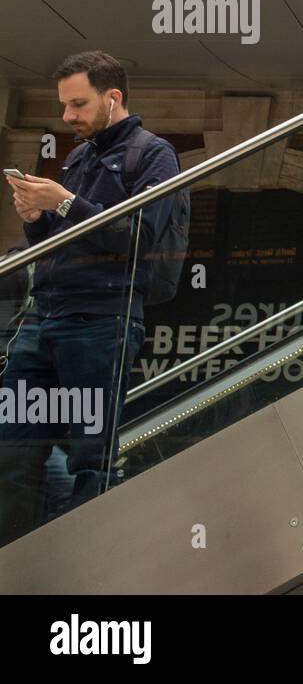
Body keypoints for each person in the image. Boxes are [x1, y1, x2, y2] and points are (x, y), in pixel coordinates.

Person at [0, 51, 180, 547]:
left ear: (112, 97)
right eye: (64, 105)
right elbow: (60, 239)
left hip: (101, 322)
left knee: (90, 459)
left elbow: (138, 236)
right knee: (12, 451)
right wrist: (37, 219)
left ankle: (90, 566)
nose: (68, 117)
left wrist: (60, 200)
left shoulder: (154, 154)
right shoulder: (81, 156)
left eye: (78, 104)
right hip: (46, 319)